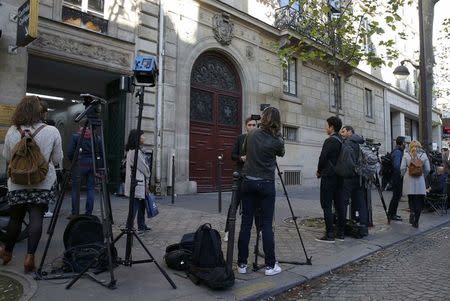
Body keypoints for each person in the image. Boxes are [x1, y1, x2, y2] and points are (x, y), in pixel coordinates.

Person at [0, 96, 63, 272]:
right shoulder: (51, 131)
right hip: (41, 182)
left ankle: (7, 251)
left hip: (17, 182)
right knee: (36, 218)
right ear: (39, 111)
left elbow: (7, 156)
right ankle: (30, 257)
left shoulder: (13, 130)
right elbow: (58, 159)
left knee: (16, 219)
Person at [237, 107, 285, 276]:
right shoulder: (277, 139)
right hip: (266, 183)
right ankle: (270, 266)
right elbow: (282, 153)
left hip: (248, 181)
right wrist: (278, 134)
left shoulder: (251, 134)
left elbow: (244, 151)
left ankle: (241, 264)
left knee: (246, 224)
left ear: (263, 118)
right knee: (266, 225)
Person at [224, 116, 257, 242]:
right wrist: (241, 158)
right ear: (246, 126)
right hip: (240, 174)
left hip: (253, 175)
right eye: (250, 125)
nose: (252, 127)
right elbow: (232, 155)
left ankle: (258, 230)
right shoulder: (240, 138)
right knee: (234, 204)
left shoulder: (259, 139)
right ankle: (227, 231)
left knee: (254, 205)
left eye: (254, 125)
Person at [315, 116, 343, 243]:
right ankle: (340, 233)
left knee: (326, 205)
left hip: (328, 176)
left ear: (331, 127)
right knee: (338, 204)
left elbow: (323, 158)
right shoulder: (342, 140)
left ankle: (330, 234)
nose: (326, 128)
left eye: (327, 125)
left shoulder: (330, 141)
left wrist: (319, 171)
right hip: (339, 176)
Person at [67, 119, 102, 218]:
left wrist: (73, 162)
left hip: (79, 165)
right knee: (91, 189)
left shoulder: (76, 137)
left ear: (80, 126)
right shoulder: (97, 138)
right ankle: (89, 212)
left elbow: (70, 152)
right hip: (92, 166)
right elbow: (100, 153)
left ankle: (75, 213)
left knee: (75, 190)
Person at [338, 125, 368, 238]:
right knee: (360, 201)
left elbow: (348, 162)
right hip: (360, 177)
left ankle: (342, 227)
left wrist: (349, 171)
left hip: (349, 177)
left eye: (344, 131)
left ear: (350, 132)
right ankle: (363, 224)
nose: (342, 133)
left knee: (344, 201)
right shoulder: (361, 142)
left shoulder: (348, 143)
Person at [124, 129, 151, 234]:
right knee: (135, 205)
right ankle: (129, 226)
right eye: (142, 136)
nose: (144, 138)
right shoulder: (135, 151)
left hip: (139, 182)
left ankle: (141, 225)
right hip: (137, 182)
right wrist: (148, 173)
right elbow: (143, 167)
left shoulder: (135, 150)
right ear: (137, 138)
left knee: (141, 205)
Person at [400, 140, 430, 228]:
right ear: (419, 146)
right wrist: (423, 175)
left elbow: (402, 168)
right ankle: (416, 221)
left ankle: (412, 211)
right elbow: (428, 169)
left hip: (409, 180)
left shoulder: (406, 154)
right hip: (419, 180)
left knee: (411, 198)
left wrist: (403, 175)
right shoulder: (423, 155)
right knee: (419, 201)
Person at [387, 136, 406, 221]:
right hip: (397, 177)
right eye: (405, 142)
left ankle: (392, 213)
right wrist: (401, 173)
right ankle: (391, 214)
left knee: (396, 196)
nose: (406, 144)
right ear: (402, 143)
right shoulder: (398, 152)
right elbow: (397, 166)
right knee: (396, 196)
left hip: (396, 176)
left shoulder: (397, 151)